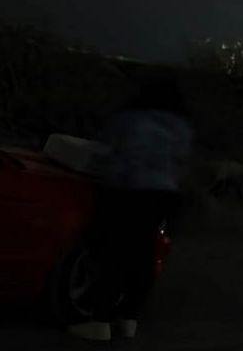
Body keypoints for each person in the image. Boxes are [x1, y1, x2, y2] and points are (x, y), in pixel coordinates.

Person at [67, 72, 194, 342]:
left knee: (111, 255)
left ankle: (97, 321)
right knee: (143, 257)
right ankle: (128, 319)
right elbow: (182, 163)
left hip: (127, 192)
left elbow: (106, 154)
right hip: (164, 195)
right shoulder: (179, 125)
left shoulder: (130, 119)